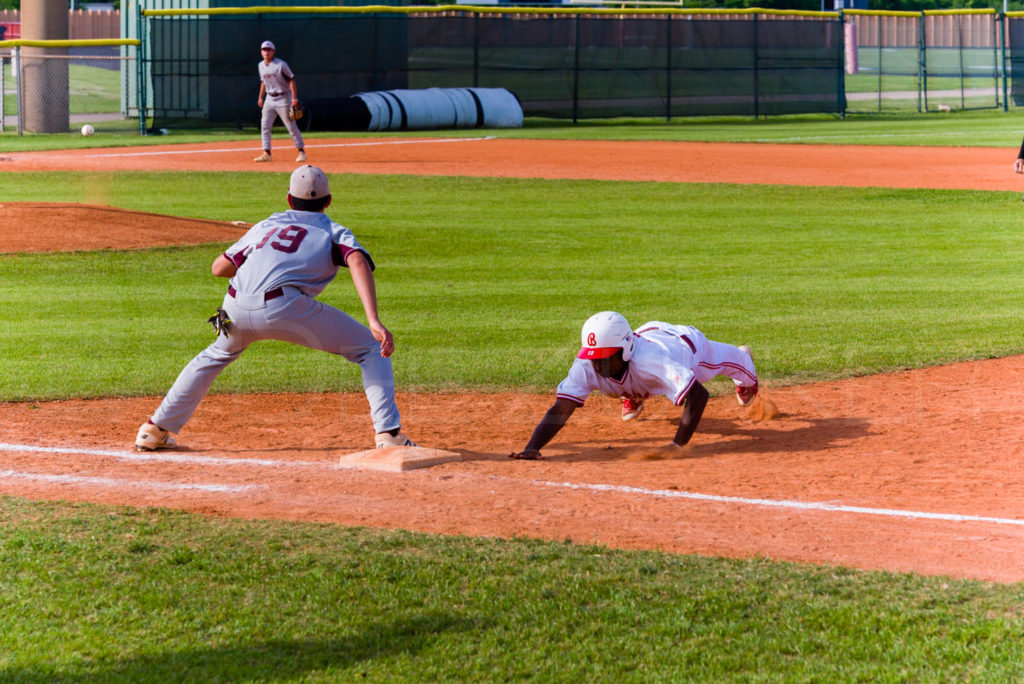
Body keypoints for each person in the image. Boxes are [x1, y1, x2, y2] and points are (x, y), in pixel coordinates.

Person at [135, 165, 415, 452]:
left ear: (289, 199)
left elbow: (219, 268)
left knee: (215, 355)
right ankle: (388, 434)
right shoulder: (333, 230)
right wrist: (374, 320)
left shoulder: (267, 225)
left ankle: (154, 430)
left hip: (235, 306)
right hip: (286, 308)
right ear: (328, 201)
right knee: (370, 348)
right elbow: (356, 260)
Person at [509, 311, 758, 460]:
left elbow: (699, 396)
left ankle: (744, 360)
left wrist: (677, 446)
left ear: (624, 351)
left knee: (731, 368)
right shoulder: (586, 363)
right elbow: (561, 408)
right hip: (644, 337)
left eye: (605, 358)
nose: (597, 365)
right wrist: (532, 448)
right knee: (630, 379)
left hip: (685, 348)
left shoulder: (653, 361)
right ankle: (633, 393)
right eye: (594, 357)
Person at [254, 40, 306, 163]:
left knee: (290, 126)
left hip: (283, 97)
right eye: (264, 49)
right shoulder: (260, 65)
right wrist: (260, 97)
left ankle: (301, 151)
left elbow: (292, 80)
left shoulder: (281, 65)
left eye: (269, 49)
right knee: (265, 125)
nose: (266, 52)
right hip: (269, 98)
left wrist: (294, 99)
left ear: (273, 51)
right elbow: (263, 82)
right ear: (261, 52)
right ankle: (267, 153)